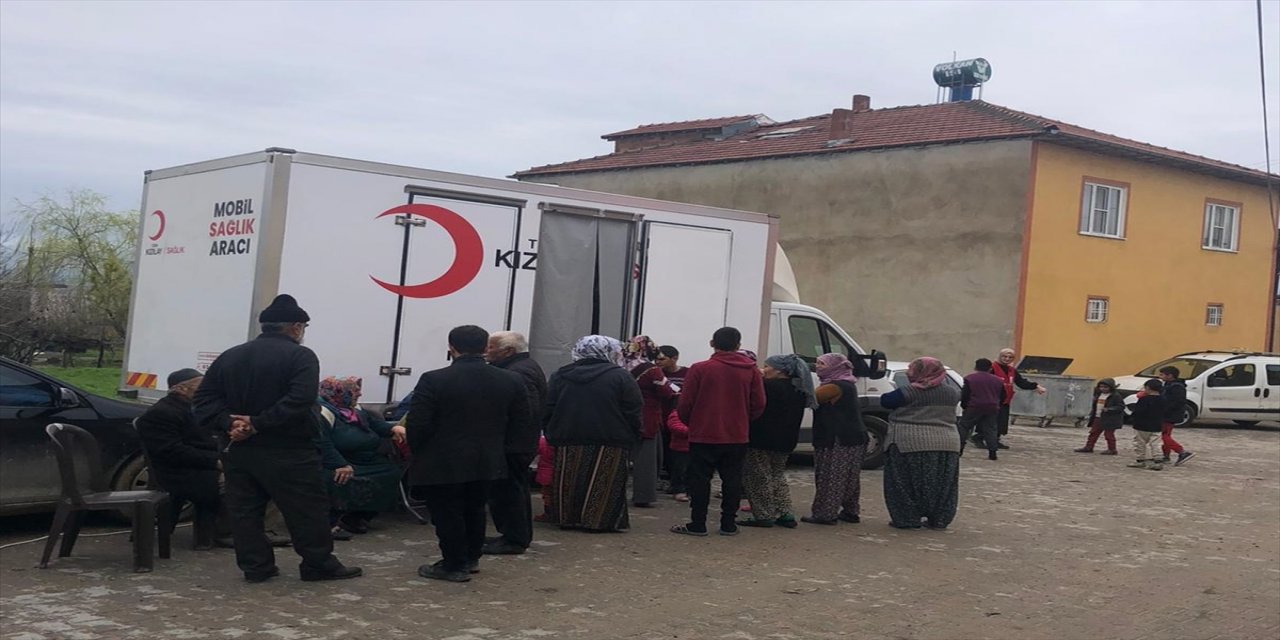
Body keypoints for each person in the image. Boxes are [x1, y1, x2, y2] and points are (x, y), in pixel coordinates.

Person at [193, 294, 361, 583]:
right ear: (296, 327)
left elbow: (204, 401)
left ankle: (256, 566)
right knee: (306, 509)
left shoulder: (230, 356)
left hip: (238, 449)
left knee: (245, 511)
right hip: (289, 450)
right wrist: (257, 424)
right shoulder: (301, 356)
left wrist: (230, 422)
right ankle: (318, 564)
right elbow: (300, 400)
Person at [406, 325, 529, 583]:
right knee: (475, 509)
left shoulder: (434, 379)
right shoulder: (510, 380)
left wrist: (419, 453)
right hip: (488, 458)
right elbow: (520, 422)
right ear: (485, 348)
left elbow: (418, 424)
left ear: (451, 348)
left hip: (442, 459)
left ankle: (454, 564)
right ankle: (471, 558)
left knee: (447, 512)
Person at [670, 327, 766, 538]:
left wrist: (692, 422)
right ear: (738, 346)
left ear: (712, 343)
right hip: (736, 434)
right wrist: (742, 419)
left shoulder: (700, 369)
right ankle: (728, 523)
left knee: (699, 479)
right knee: (732, 479)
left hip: (703, 433)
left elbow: (685, 403)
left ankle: (698, 523)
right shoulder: (751, 371)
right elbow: (758, 403)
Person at [543, 335, 643, 533]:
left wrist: (551, 431)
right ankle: (598, 521)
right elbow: (633, 409)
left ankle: (567, 518)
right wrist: (634, 433)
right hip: (611, 438)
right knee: (604, 481)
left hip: (568, 436)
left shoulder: (561, 375)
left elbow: (548, 407)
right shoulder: (621, 376)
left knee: (569, 480)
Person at [135, 368, 227, 550]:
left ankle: (225, 531)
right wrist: (215, 461)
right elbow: (172, 451)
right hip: (176, 473)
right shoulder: (161, 413)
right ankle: (223, 533)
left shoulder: (192, 408)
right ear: (180, 389)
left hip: (194, 465)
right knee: (240, 482)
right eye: (200, 387)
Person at [314, 376, 406, 539]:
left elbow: (374, 424)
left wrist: (392, 429)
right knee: (338, 477)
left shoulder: (354, 408)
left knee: (391, 472)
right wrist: (339, 464)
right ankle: (329, 522)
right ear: (339, 393)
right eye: (354, 391)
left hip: (364, 459)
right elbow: (322, 442)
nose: (360, 394)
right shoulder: (322, 412)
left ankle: (357, 517)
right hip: (338, 460)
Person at [482, 331, 548, 555]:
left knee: (509, 492)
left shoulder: (518, 372)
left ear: (508, 351)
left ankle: (514, 539)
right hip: (517, 442)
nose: (486, 351)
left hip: (513, 444)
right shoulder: (521, 367)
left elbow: (525, 411)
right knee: (510, 490)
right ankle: (511, 535)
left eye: (491, 347)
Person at [880, 357, 964, 530]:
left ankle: (906, 518)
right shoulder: (952, 392)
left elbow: (885, 401)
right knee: (943, 485)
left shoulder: (908, 392)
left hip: (909, 443)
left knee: (903, 483)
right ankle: (939, 519)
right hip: (947, 443)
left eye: (912, 369)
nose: (908, 372)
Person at [739, 354, 812, 528]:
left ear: (779, 370)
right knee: (777, 475)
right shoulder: (798, 389)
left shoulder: (768, 386)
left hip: (761, 438)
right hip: (786, 439)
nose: (764, 369)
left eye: (767, 366)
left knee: (758, 477)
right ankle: (785, 513)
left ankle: (764, 515)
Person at [803, 353, 868, 526]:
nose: (817, 367)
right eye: (817, 363)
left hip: (838, 437)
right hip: (852, 436)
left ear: (835, 367)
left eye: (822, 364)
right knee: (848, 477)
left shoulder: (834, 386)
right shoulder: (847, 383)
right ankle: (850, 511)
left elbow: (810, 398)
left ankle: (825, 514)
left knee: (831, 477)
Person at [624, 335, 676, 508]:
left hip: (624, 417)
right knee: (647, 460)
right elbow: (666, 392)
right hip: (648, 417)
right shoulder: (652, 370)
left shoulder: (621, 367)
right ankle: (643, 495)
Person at [986, 348, 1047, 449]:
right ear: (1000, 356)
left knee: (1001, 423)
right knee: (990, 422)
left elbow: (1021, 382)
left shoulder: (1012, 370)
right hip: (992, 399)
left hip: (1005, 400)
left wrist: (1036, 386)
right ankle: (980, 438)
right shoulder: (992, 368)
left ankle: (995, 440)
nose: (1007, 359)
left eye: (1010, 357)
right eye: (1005, 356)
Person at [958, 358, 1006, 460]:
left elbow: (965, 395)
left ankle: (959, 449)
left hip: (974, 406)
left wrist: (964, 405)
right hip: (992, 407)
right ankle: (992, 452)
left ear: (975, 367)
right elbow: (1003, 396)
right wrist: (997, 404)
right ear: (990, 368)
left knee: (964, 427)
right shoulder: (998, 380)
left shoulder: (969, 378)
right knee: (991, 429)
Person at [1073, 378, 1124, 455]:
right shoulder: (1099, 394)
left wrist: (1109, 409)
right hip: (1098, 417)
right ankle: (1089, 447)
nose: (1103, 389)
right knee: (1093, 433)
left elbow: (1121, 407)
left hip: (1110, 419)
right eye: (1101, 387)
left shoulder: (1115, 396)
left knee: (1109, 435)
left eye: (1105, 387)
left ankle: (1112, 449)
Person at [1157, 366, 1196, 466]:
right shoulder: (1168, 385)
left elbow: (1178, 402)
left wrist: (1164, 409)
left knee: (1164, 435)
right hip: (1167, 414)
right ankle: (1166, 456)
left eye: (1162, 374)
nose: (1160, 377)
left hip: (1170, 415)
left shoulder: (1177, 387)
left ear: (1170, 375)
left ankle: (1181, 452)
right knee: (1166, 435)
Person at [1127, 379, 1166, 471]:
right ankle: (1158, 461)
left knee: (1139, 443)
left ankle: (1140, 460)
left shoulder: (1144, 399)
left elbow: (1138, 411)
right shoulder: (1163, 399)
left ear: (1148, 388)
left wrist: (1132, 418)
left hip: (1141, 425)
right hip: (1156, 425)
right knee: (1156, 444)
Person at [664, 410, 691, 502]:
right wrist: (691, 431)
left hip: (695, 448)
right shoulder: (677, 413)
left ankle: (689, 490)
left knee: (692, 472)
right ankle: (678, 490)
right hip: (680, 449)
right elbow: (674, 426)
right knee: (679, 471)